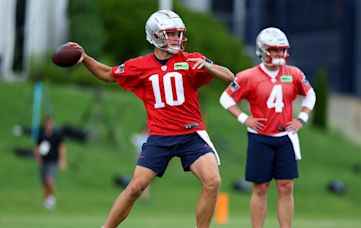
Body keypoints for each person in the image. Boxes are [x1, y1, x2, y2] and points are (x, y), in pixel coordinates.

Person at [69, 10, 234, 228]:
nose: (178, 39)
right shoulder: (140, 65)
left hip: (191, 133)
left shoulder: (192, 59)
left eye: (179, 34)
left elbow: (230, 76)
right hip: (160, 136)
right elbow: (108, 74)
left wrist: (209, 67)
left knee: (213, 181)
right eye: (172, 34)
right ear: (155, 35)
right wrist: (85, 59)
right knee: (136, 187)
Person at [219, 27, 316, 228]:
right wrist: (244, 118)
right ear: (263, 50)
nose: (280, 54)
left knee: (286, 186)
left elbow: (310, 94)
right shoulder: (249, 76)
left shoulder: (293, 73)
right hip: (260, 137)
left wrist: (302, 118)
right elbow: (226, 97)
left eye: (282, 50)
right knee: (260, 188)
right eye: (275, 50)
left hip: (285, 137)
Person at [33, 115, 67, 210]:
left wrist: (62, 160)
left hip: (53, 161)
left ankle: (51, 198)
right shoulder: (41, 134)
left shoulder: (56, 135)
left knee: (50, 180)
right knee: (45, 183)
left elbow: (61, 147)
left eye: (50, 123)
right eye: (47, 123)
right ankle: (46, 200)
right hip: (44, 161)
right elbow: (36, 147)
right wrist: (38, 159)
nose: (48, 125)